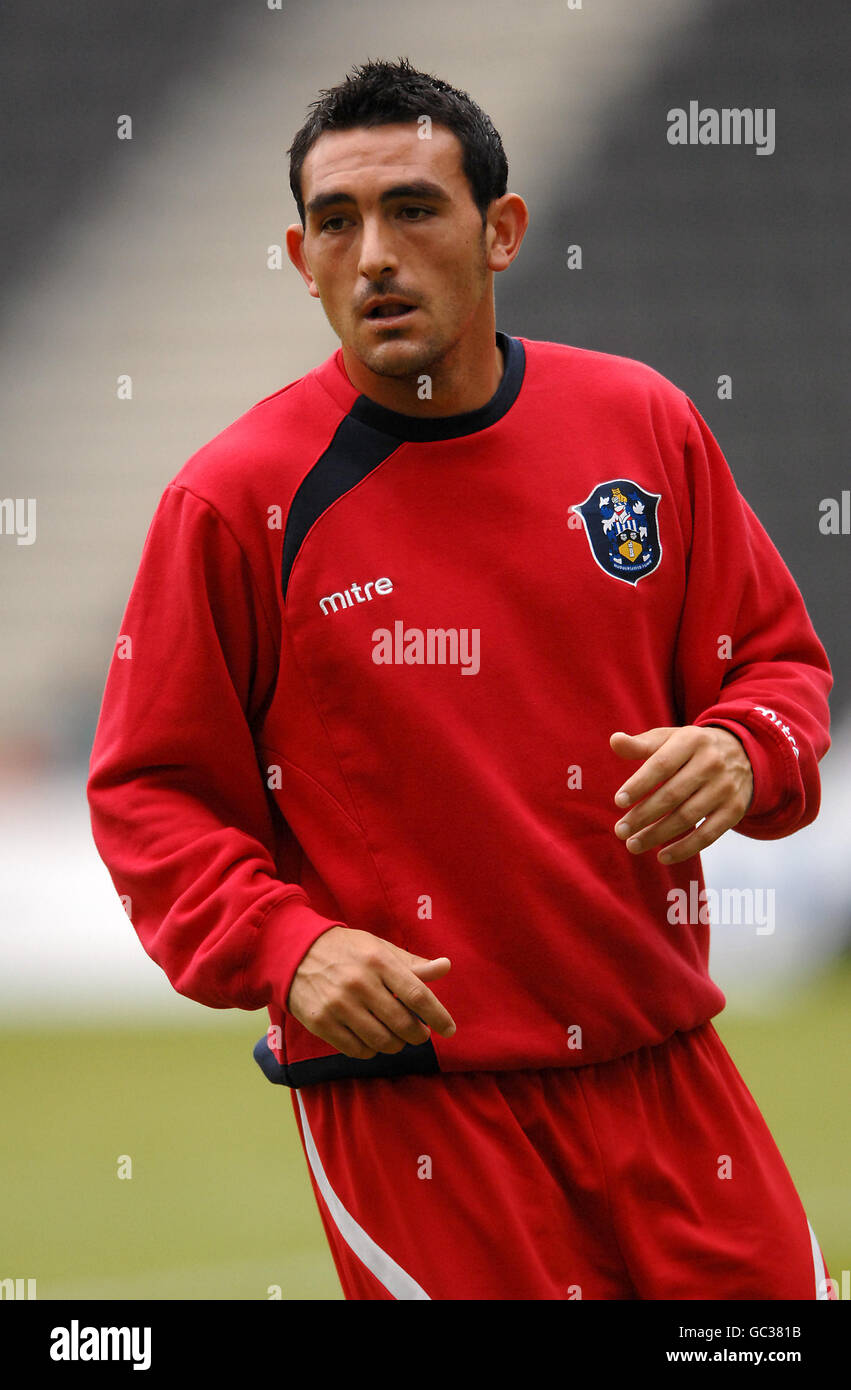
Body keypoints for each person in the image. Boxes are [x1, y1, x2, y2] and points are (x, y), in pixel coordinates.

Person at [87, 57, 835, 1300]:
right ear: (301, 255)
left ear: (499, 233)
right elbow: (147, 794)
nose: (373, 252)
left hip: (663, 1066)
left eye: (412, 209)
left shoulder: (640, 424)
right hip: (418, 1111)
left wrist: (745, 746)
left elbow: (774, 663)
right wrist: (285, 943)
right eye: (337, 222)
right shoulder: (233, 500)